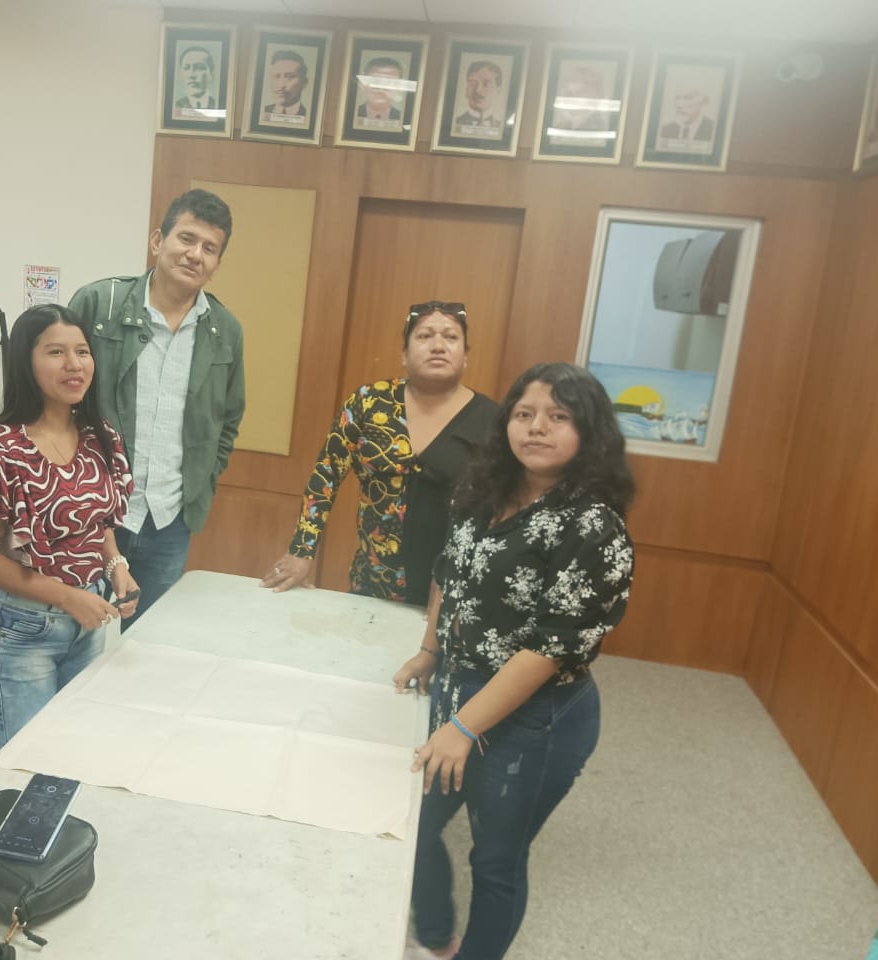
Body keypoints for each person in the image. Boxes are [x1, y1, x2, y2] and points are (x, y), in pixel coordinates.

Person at [393, 362, 635, 960]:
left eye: (558, 416)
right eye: (524, 414)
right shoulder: (482, 491)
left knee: (496, 860)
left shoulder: (593, 526)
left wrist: (464, 726)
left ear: (589, 432)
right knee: (415, 822)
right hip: (460, 686)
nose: (537, 427)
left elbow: (549, 649)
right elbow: (448, 573)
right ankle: (435, 935)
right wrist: (430, 649)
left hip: (535, 718)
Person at [0, 305, 137, 747]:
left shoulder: (99, 437)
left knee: (71, 752)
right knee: (32, 760)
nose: (74, 364)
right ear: (25, 362)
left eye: (82, 352)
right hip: (22, 626)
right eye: (56, 352)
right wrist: (67, 597)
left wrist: (116, 567)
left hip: (87, 619)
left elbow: (96, 522)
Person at [67, 189, 244, 628]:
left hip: (169, 518)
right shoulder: (99, 304)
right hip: (89, 509)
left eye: (209, 248)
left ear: (218, 262)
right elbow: (54, 398)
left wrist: (200, 481)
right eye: (186, 238)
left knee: (142, 641)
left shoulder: (225, 331)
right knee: (74, 632)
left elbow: (229, 419)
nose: (195, 254)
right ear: (157, 240)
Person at [263, 301, 497, 604]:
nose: (438, 346)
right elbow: (326, 476)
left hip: (450, 594)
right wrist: (302, 550)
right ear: (404, 354)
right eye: (425, 336)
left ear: (465, 356)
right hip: (371, 587)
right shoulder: (368, 402)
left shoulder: (492, 420)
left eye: (451, 337)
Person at [549, 64, 610, 134]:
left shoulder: (598, 128)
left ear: (597, 94)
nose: (572, 98)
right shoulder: (561, 126)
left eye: (581, 91)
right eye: (569, 93)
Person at [453, 60, 504, 137]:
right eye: (472, 83)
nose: (478, 90)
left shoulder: (502, 128)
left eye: (486, 83)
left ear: (498, 90)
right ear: (466, 89)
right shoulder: (455, 123)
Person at [262, 49, 309, 122]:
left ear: (304, 83)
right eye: (277, 76)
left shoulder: (309, 117)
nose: (281, 85)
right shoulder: (262, 113)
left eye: (290, 77)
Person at [356, 56, 405, 126]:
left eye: (389, 82)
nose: (381, 90)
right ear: (363, 85)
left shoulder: (404, 118)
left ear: (399, 87)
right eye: (375, 82)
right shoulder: (351, 113)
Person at [174, 45, 217, 114]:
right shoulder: (175, 107)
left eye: (199, 68)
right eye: (186, 68)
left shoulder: (217, 106)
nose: (191, 75)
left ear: (211, 74)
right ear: (181, 73)